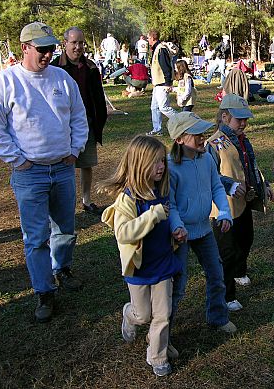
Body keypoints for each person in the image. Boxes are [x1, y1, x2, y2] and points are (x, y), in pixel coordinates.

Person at [0, 22, 88, 322]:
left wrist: (74, 150)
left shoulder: (62, 78)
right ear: (24, 48)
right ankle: (44, 291)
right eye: (42, 49)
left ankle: (62, 269)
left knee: (65, 229)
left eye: (51, 48)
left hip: (63, 168)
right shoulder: (5, 82)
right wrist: (18, 160)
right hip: (30, 173)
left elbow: (79, 117)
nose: (47, 54)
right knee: (36, 236)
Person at [99, 136, 182, 377]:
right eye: (155, 162)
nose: (162, 167)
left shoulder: (163, 189)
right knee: (143, 314)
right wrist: (153, 214)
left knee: (163, 315)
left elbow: (168, 219)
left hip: (163, 264)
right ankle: (129, 314)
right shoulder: (128, 199)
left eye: (162, 161)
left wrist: (176, 232)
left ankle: (157, 355)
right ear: (139, 164)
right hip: (139, 269)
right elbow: (124, 233)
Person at [167, 111, 237, 334]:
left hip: (205, 230)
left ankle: (217, 317)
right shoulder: (170, 167)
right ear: (179, 139)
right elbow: (170, 204)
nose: (202, 137)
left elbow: (217, 186)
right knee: (178, 283)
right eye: (195, 133)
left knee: (216, 274)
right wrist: (177, 226)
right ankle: (164, 329)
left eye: (202, 132)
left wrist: (224, 212)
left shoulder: (206, 158)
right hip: (181, 235)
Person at [207, 94, 274, 310]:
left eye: (246, 119)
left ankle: (239, 271)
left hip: (244, 202)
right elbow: (208, 175)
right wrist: (230, 186)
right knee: (226, 251)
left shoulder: (244, 140)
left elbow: (251, 166)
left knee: (246, 239)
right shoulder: (214, 144)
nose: (244, 123)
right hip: (223, 208)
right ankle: (227, 296)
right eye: (239, 119)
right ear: (225, 117)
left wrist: (264, 184)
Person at [52, 27, 108, 215]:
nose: (78, 47)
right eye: (74, 42)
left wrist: (99, 119)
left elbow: (98, 97)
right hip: (61, 125)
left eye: (81, 42)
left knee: (86, 163)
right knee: (62, 165)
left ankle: (86, 199)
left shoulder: (91, 67)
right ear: (65, 43)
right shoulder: (54, 67)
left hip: (86, 123)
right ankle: (64, 203)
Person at [147, 29, 179, 136]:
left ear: (152, 38)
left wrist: (168, 83)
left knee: (164, 108)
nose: (148, 40)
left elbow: (166, 67)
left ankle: (183, 121)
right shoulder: (157, 48)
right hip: (158, 83)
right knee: (154, 107)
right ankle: (157, 129)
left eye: (148, 38)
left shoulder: (161, 49)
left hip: (162, 83)